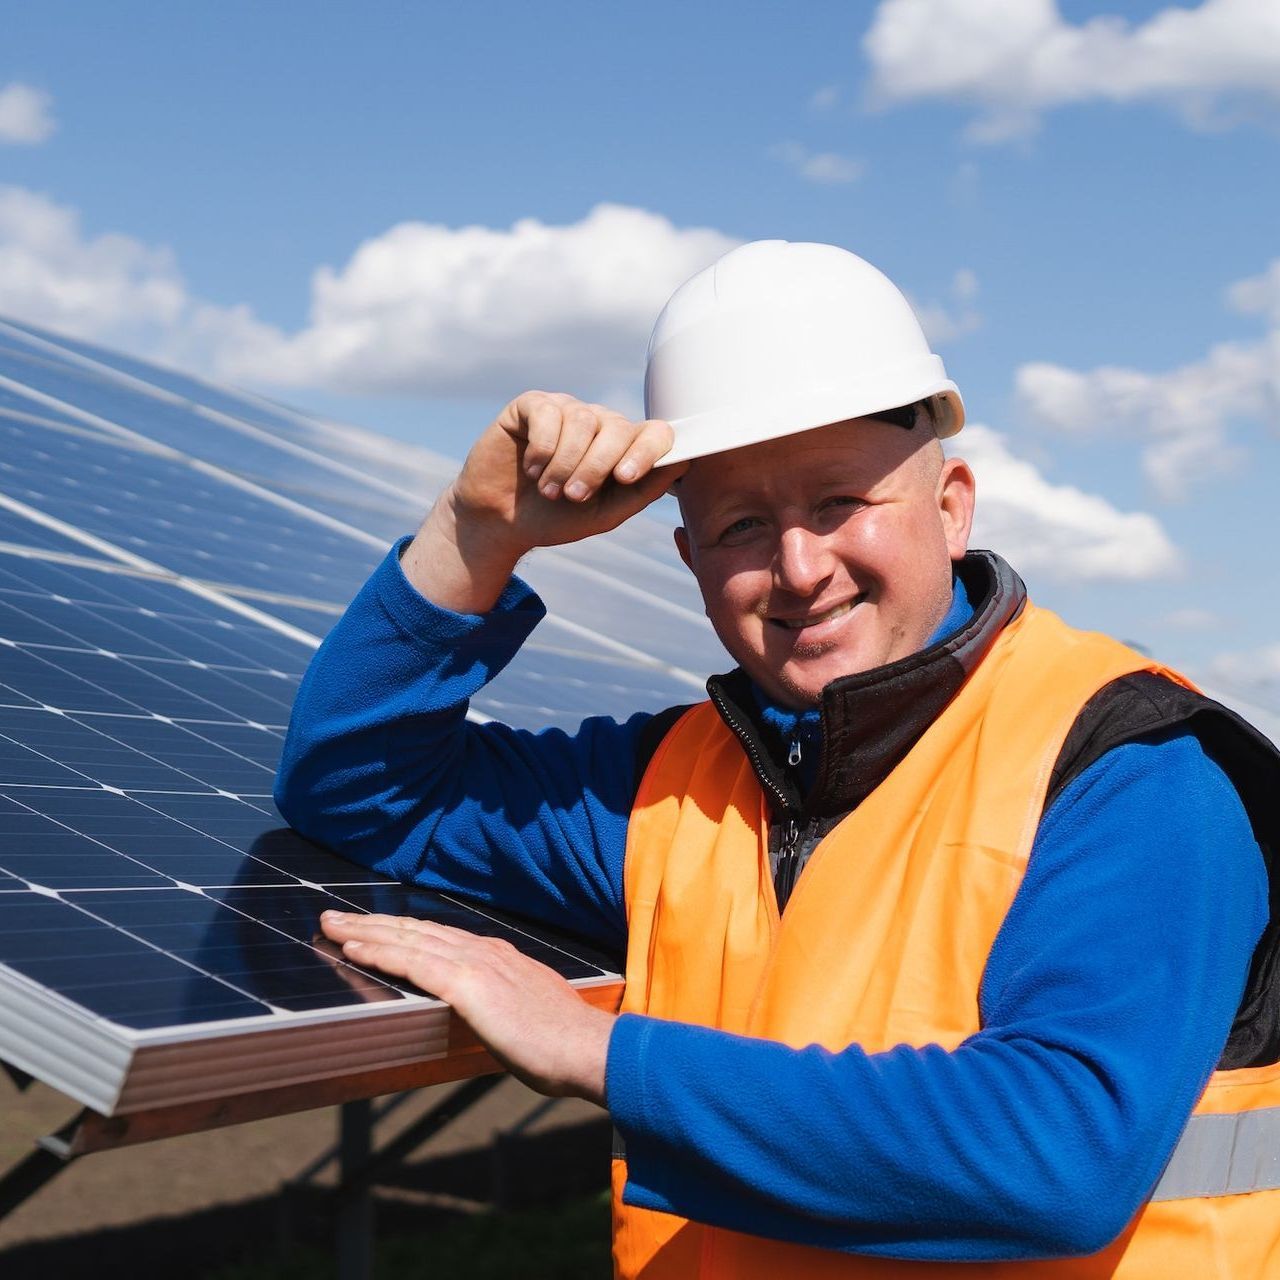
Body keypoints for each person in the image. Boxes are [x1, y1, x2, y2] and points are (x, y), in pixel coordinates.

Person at [276, 241, 1280, 1277]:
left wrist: (595, 1052)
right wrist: (473, 533)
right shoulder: (670, 783)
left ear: (949, 505)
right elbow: (359, 786)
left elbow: (1054, 1150)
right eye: (741, 525)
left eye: (838, 503)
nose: (798, 569)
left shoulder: (1132, 770)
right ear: (687, 558)